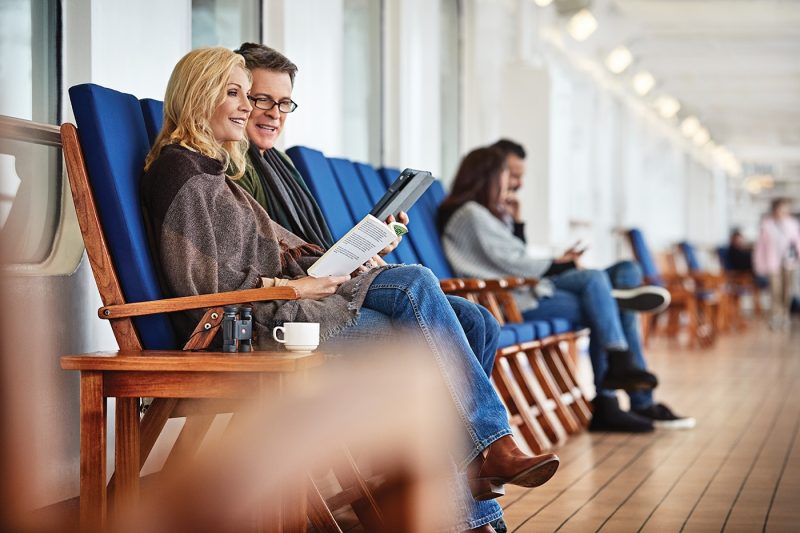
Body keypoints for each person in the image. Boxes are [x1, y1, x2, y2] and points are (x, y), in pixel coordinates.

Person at [140, 47, 557, 533]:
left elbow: (277, 247)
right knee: (424, 312)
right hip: (254, 326)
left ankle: (477, 475)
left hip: (284, 307)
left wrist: (347, 256)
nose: (246, 107)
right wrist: (297, 286)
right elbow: (206, 287)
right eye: (235, 94)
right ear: (199, 96)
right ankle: (481, 471)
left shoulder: (213, 173)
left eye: (242, 94)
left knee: (461, 316)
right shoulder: (183, 175)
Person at [228, 43, 513, 531]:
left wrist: (365, 247)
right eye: (260, 99)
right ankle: (471, 478)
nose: (273, 113)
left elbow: (302, 247)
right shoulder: (230, 170)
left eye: (283, 103)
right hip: (286, 307)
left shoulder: (280, 166)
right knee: (426, 315)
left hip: (324, 284)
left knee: (475, 319)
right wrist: (341, 263)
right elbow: (267, 259)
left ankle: (458, 472)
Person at [439, 144, 695, 432]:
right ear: (487, 177)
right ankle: (624, 391)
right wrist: (560, 264)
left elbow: (510, 256)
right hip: (515, 297)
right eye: (506, 176)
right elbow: (512, 262)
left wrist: (518, 221)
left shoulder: (486, 214)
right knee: (603, 292)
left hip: (528, 286)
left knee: (625, 273)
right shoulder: (471, 215)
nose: (511, 184)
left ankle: (615, 386)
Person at [754, 198, 800, 330]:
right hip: (772, 263)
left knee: (787, 290)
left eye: (785, 209)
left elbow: (798, 243)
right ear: (775, 210)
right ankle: (776, 316)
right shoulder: (767, 225)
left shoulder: (793, 224)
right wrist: (759, 264)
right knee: (775, 290)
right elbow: (760, 247)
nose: (782, 212)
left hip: (789, 262)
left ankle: (785, 315)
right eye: (780, 209)